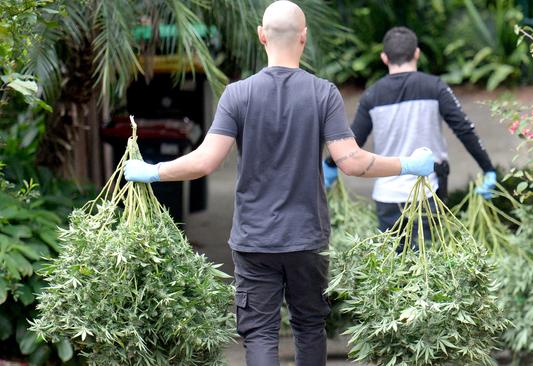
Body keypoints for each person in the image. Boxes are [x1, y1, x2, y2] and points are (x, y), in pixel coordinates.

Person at [123, 3, 434, 365]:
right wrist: (408, 164)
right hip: (307, 238)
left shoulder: (238, 95)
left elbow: (206, 160)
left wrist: (154, 170)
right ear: (304, 37)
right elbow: (352, 161)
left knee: (259, 333)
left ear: (261, 36)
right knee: (309, 326)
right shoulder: (323, 93)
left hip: (255, 240)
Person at [323, 26, 497, 237]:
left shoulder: (371, 96)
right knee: (427, 265)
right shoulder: (435, 87)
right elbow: (464, 129)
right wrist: (488, 169)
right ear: (417, 53)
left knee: (393, 266)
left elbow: (353, 139)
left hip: (387, 198)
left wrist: (330, 164)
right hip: (427, 194)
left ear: (384, 58)